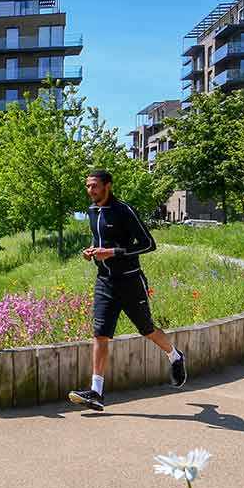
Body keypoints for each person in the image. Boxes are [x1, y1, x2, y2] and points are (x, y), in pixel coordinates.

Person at [67, 168, 185, 411]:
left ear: (107, 186)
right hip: (105, 281)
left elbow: (148, 244)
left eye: (94, 186)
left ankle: (175, 355)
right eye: (88, 186)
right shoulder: (92, 211)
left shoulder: (124, 210)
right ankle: (96, 392)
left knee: (147, 329)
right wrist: (91, 251)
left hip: (130, 281)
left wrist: (111, 252)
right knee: (100, 334)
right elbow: (100, 241)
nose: (90, 191)